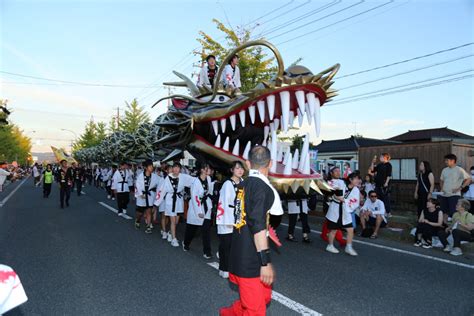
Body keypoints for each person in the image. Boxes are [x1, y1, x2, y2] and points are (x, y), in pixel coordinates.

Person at [220, 146, 276, 316]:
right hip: (250, 259)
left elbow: (240, 219)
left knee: (265, 297)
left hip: (242, 251)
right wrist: (264, 262)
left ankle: (230, 313)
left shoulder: (241, 185)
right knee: (255, 310)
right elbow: (258, 225)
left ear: (247, 163)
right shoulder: (261, 188)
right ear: (271, 164)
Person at [155, 162, 194, 247]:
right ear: (172, 168)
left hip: (179, 201)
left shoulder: (183, 177)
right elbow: (162, 190)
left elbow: (194, 181)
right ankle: (174, 238)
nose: (176, 169)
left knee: (176, 221)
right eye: (174, 167)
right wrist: (157, 202)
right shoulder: (168, 178)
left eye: (177, 167)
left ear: (180, 169)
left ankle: (170, 232)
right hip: (170, 200)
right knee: (172, 220)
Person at [216, 161, 244, 279]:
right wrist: (229, 220)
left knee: (235, 244)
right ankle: (223, 268)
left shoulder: (244, 182)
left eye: (241, 168)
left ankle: (230, 263)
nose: (240, 170)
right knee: (227, 244)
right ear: (232, 170)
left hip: (239, 217)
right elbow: (224, 203)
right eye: (237, 168)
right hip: (227, 217)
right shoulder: (228, 184)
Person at [183, 162, 214, 258]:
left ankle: (207, 251)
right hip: (196, 207)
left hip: (206, 207)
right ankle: (186, 243)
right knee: (192, 229)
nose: (209, 170)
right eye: (207, 168)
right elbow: (195, 197)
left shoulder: (209, 179)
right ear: (202, 170)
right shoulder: (196, 182)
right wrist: (199, 212)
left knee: (206, 231)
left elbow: (209, 192)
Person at [325, 172, 360, 256]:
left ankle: (348, 247)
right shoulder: (341, 183)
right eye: (356, 179)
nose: (358, 181)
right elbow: (330, 186)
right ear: (351, 179)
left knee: (350, 229)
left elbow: (356, 202)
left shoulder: (356, 190)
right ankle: (330, 245)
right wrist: (335, 194)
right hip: (335, 209)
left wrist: (344, 200)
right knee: (333, 230)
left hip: (346, 211)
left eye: (358, 179)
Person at [321, 166, 347, 247]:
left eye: (339, 171)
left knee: (330, 221)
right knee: (335, 223)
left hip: (341, 204)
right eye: (336, 171)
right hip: (331, 204)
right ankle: (341, 240)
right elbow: (332, 194)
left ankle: (324, 234)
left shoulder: (342, 181)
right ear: (331, 173)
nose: (338, 172)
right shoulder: (329, 182)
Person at [439, 154, 471, 219]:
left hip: (454, 195)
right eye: (445, 160)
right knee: (444, 212)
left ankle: (453, 227)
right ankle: (445, 227)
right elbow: (441, 180)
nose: (445, 162)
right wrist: (442, 188)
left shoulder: (459, 169)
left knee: (453, 212)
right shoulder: (444, 170)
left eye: (447, 160)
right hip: (444, 195)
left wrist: (460, 188)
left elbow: (468, 179)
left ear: (453, 161)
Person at [134, 159, 160, 233]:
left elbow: (161, 182)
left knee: (149, 211)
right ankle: (138, 220)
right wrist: (140, 194)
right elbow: (137, 186)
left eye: (152, 166)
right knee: (140, 213)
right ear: (146, 167)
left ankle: (148, 226)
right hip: (141, 196)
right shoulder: (140, 176)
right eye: (150, 166)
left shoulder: (155, 176)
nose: (152, 167)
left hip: (150, 196)